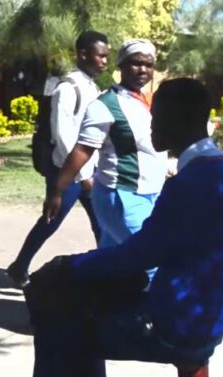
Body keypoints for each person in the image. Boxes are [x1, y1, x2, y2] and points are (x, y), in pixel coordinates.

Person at [23, 78, 223, 377]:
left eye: (158, 117)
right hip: (209, 311)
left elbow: (139, 254)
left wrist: (70, 265)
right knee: (82, 306)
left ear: (180, 120)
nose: (151, 127)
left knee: (57, 321)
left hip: (179, 325)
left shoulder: (193, 182)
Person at [6, 31, 107, 287]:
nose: (105, 61)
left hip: (87, 169)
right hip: (66, 169)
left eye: (107, 56)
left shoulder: (92, 87)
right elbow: (63, 136)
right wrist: (82, 176)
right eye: (101, 56)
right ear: (84, 54)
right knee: (51, 220)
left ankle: (108, 273)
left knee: (102, 223)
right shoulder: (67, 88)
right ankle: (20, 265)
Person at [45, 39, 166, 249]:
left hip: (150, 194)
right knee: (150, 260)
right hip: (122, 196)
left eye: (148, 65)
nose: (142, 70)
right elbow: (82, 150)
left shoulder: (146, 101)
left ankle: (77, 279)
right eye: (136, 63)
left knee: (110, 263)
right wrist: (57, 191)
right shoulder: (106, 105)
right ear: (121, 66)